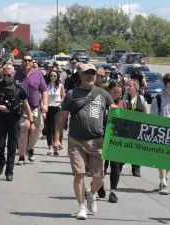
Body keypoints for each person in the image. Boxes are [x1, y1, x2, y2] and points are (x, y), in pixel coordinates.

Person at [53, 64, 116, 220]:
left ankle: (91, 193)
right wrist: (56, 137)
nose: (90, 76)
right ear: (80, 75)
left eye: (92, 74)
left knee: (99, 177)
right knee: (79, 174)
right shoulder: (72, 94)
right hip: (76, 141)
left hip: (97, 142)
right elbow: (62, 117)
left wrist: (117, 109)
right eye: (87, 73)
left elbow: (114, 109)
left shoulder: (103, 93)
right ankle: (81, 206)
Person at [0, 64, 32, 181]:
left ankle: (9, 172)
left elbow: (25, 104)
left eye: (9, 75)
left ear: (13, 75)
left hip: (14, 121)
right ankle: (1, 162)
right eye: (4, 75)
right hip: (1, 120)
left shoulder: (19, 88)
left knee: (11, 147)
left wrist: (31, 119)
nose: (6, 77)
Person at [15, 54, 48, 164]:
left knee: (35, 130)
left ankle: (29, 148)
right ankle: (21, 155)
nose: (27, 62)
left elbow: (44, 91)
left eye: (29, 60)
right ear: (22, 61)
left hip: (35, 108)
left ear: (32, 62)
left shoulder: (38, 74)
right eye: (25, 60)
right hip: (21, 108)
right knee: (25, 127)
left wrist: (45, 105)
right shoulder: (16, 74)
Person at [97, 80, 126, 203]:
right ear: (109, 91)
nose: (116, 95)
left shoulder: (123, 103)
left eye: (119, 93)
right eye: (114, 92)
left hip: (116, 139)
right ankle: (100, 185)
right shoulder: (102, 102)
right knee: (102, 165)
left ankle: (113, 191)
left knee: (116, 166)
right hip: (103, 137)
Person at [122, 79, 148, 177]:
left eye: (130, 86)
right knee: (125, 147)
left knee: (137, 149)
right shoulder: (124, 99)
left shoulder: (141, 99)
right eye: (127, 86)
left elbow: (145, 113)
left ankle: (136, 168)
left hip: (138, 128)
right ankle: (120, 163)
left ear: (135, 88)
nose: (128, 87)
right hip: (126, 128)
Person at [45, 69, 65, 156]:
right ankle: (50, 147)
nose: (53, 77)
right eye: (51, 76)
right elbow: (43, 96)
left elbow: (64, 97)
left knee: (57, 129)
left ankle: (56, 147)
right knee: (48, 129)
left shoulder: (60, 86)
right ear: (49, 77)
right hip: (48, 108)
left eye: (55, 76)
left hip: (57, 108)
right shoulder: (46, 85)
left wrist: (60, 101)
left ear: (57, 77)